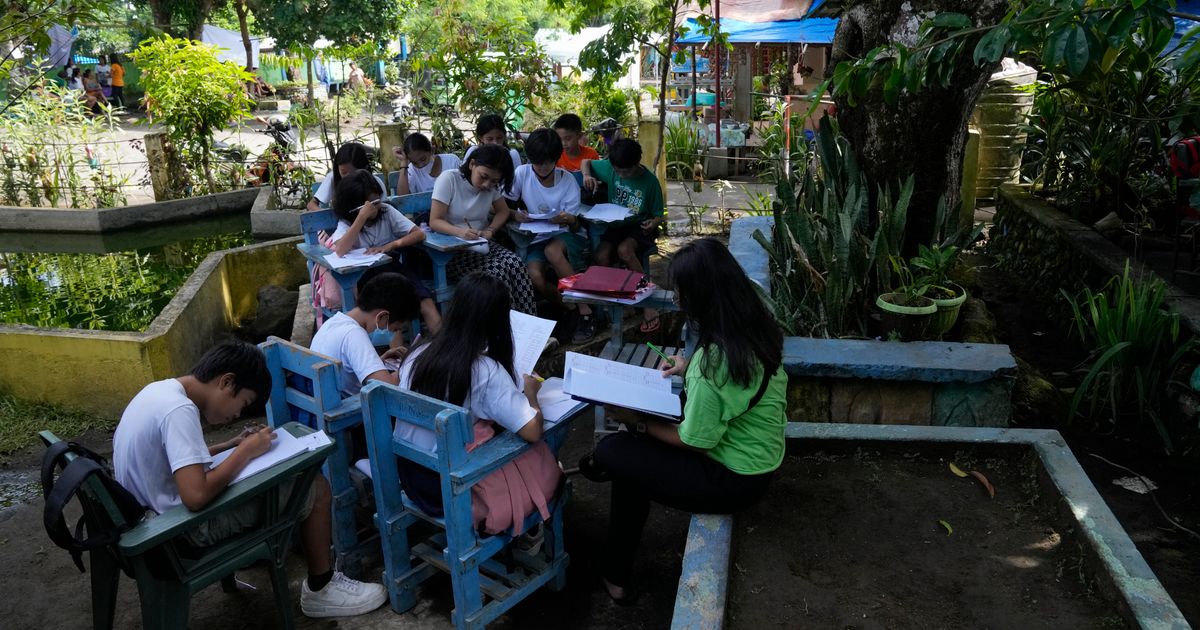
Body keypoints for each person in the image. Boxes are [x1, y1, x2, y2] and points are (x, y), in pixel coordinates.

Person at [111, 341, 389, 618]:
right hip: (177, 533)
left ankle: (272, 556)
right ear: (226, 382)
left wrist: (231, 445)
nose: (237, 415)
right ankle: (321, 588)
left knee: (277, 477)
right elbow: (195, 496)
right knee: (315, 487)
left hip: (148, 522)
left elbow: (178, 460)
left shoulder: (160, 392)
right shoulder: (179, 411)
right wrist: (244, 453)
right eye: (242, 404)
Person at [577, 238, 787, 604]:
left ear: (702, 297)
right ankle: (615, 573)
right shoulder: (753, 326)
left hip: (731, 478)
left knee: (614, 450)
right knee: (631, 463)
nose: (677, 301)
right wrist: (686, 366)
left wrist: (637, 419)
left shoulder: (713, 364)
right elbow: (731, 383)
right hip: (758, 460)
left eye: (681, 295)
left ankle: (614, 569)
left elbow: (694, 442)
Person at [394, 272, 558, 542]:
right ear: (499, 321)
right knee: (546, 439)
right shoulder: (484, 370)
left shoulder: (417, 354)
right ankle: (530, 523)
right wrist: (531, 394)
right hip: (451, 488)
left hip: (412, 477)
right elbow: (532, 431)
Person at [509, 128, 596, 342]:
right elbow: (502, 202)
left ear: (556, 159)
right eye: (537, 162)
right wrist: (515, 214)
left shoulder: (566, 180)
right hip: (537, 235)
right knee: (534, 275)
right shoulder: (522, 173)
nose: (541, 167)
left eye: (547, 162)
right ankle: (568, 306)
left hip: (566, 234)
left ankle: (585, 312)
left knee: (553, 251)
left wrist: (566, 218)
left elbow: (575, 221)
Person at [329, 169, 441, 335]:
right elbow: (340, 250)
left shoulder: (387, 212)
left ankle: (445, 346)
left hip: (392, 268)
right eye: (370, 204)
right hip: (364, 275)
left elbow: (419, 233)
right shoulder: (347, 223)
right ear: (357, 207)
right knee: (388, 310)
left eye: (377, 201)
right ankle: (396, 353)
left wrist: (392, 244)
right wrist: (361, 218)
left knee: (425, 301)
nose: (376, 206)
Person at [429, 144, 537, 314]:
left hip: (481, 244)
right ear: (472, 164)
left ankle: (530, 325)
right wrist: (460, 232)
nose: (487, 185)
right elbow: (435, 221)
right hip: (453, 250)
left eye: (494, 181)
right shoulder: (449, 179)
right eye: (483, 177)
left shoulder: (491, 187)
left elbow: (503, 211)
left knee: (516, 264)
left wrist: (490, 230)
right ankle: (508, 330)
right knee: (496, 273)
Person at [580, 138, 666, 333]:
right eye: (617, 171)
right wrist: (586, 176)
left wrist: (653, 222)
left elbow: (658, 215)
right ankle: (620, 298)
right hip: (615, 224)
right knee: (600, 256)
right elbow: (586, 162)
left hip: (639, 226)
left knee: (625, 250)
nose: (620, 175)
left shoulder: (650, 181)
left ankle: (647, 304)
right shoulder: (611, 167)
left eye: (625, 172)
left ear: (637, 164)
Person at [310, 272, 420, 396]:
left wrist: (378, 362)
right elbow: (387, 388)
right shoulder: (354, 335)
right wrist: (411, 365)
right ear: (382, 316)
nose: (393, 334)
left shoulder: (332, 322)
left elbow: (348, 370)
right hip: (349, 409)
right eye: (395, 329)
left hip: (326, 399)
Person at [306, 142, 384, 212]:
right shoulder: (332, 178)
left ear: (364, 169)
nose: (347, 178)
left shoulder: (375, 183)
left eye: (352, 173)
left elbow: (382, 209)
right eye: (343, 172)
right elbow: (311, 204)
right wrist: (329, 217)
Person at [391, 132, 462, 195]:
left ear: (432, 150)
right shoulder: (411, 170)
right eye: (414, 163)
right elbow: (402, 197)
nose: (420, 165)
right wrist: (404, 162)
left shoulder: (452, 161)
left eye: (423, 159)